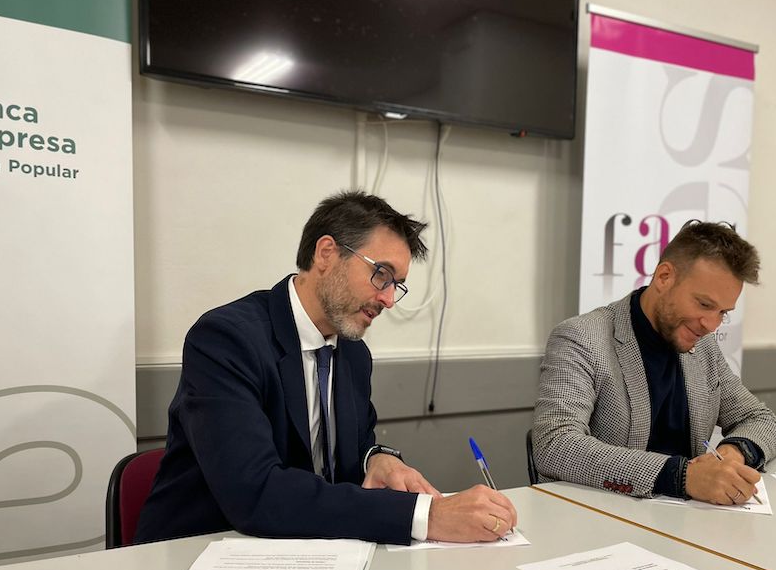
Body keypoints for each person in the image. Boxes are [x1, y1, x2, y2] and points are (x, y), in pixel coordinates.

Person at [135, 191, 516, 545]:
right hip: (200, 551)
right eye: (381, 274)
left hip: (309, 554)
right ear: (326, 253)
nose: (388, 299)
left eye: (396, 285)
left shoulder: (354, 353)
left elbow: (356, 446)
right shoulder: (226, 340)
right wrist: (425, 517)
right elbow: (255, 492)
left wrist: (377, 458)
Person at [532, 220, 776, 506]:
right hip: (602, 516)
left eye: (723, 312)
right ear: (664, 277)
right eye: (704, 304)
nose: (711, 325)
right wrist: (682, 476)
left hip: (688, 519)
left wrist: (732, 454)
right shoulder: (581, 337)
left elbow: (761, 420)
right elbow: (555, 444)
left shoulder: (703, 347)